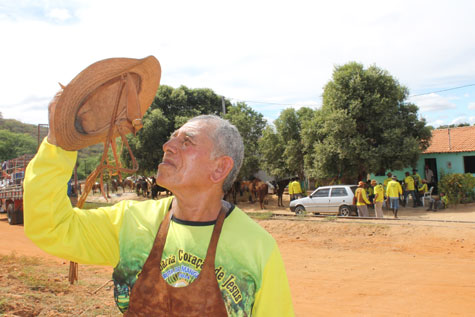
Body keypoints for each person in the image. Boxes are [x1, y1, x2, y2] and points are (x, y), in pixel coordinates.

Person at [23, 57, 293, 316]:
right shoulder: (131, 223)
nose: (167, 146)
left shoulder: (257, 248)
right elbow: (51, 227)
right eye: (171, 138)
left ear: (220, 168)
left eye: (186, 141)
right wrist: (58, 143)